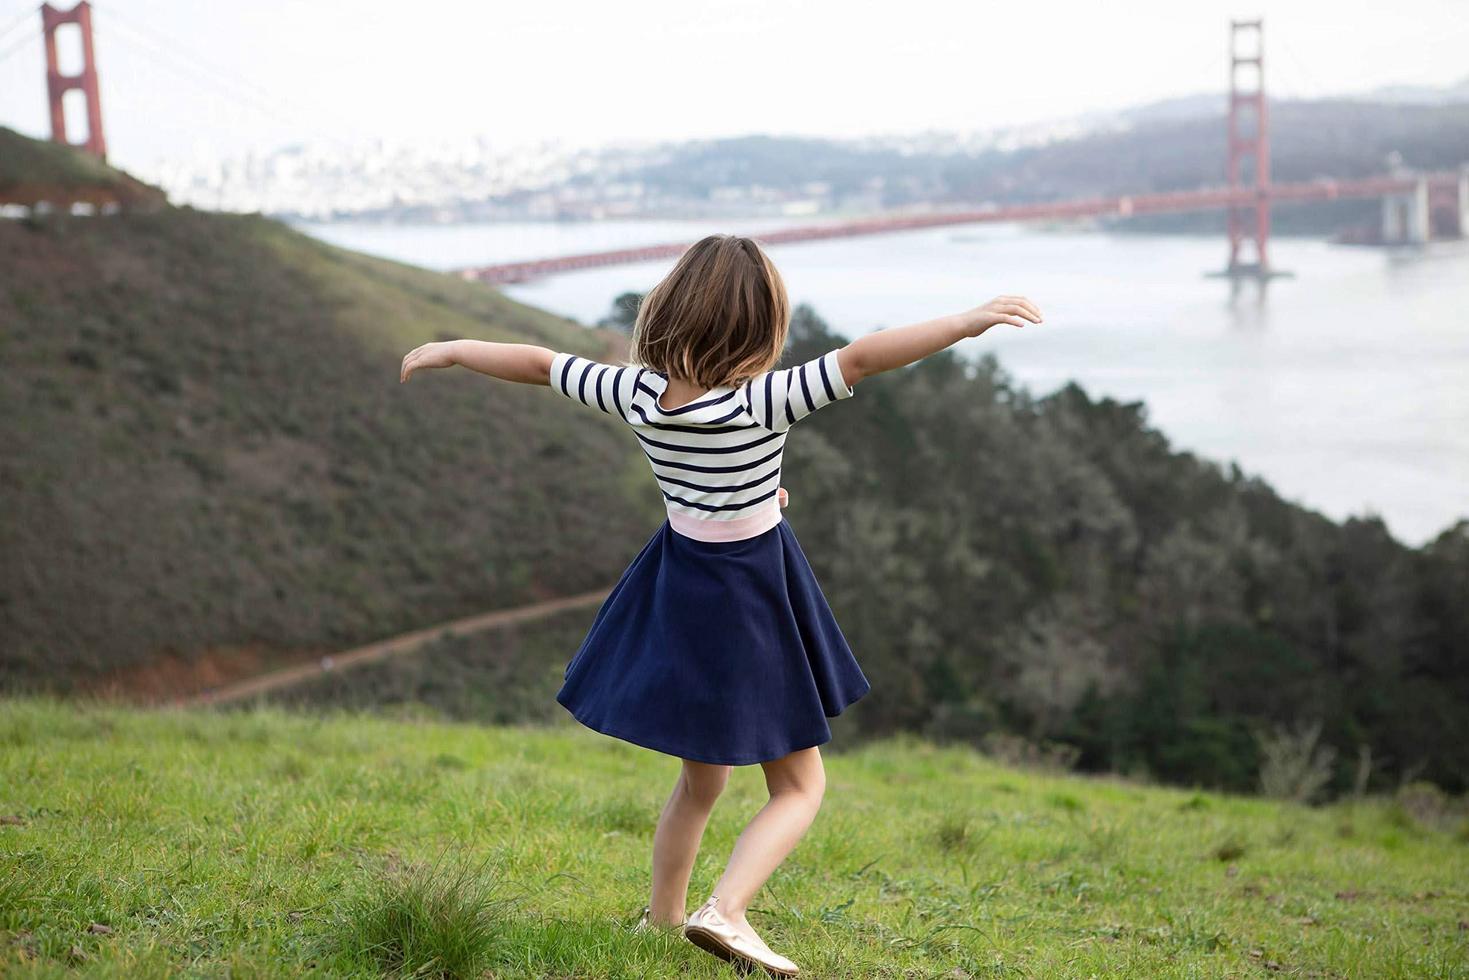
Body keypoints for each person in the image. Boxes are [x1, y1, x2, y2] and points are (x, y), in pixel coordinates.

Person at [399, 234, 1041, 976]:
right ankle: (726, 909)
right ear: (762, 328)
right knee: (800, 785)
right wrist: (967, 321)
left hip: (681, 586)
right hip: (750, 595)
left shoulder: (633, 393)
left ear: (667, 312)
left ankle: (662, 919)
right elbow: (863, 357)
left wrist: (451, 348)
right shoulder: (764, 399)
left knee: (700, 780)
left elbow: (540, 365)